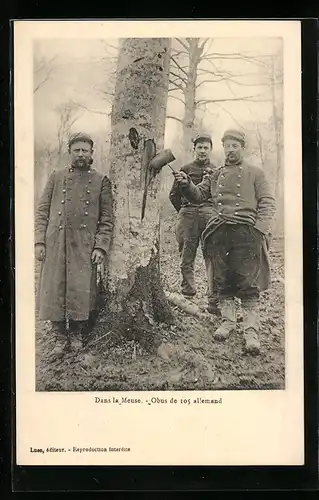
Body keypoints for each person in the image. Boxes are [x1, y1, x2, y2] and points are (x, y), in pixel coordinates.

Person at [173, 129, 276, 355]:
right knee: (223, 279)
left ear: (242, 147)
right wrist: (186, 182)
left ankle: (251, 330)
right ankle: (228, 321)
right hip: (219, 232)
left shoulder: (255, 173)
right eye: (227, 146)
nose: (230, 150)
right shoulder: (215, 174)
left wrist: (260, 229)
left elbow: (268, 202)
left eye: (234, 146)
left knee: (247, 281)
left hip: (247, 232)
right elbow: (198, 195)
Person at [35, 132, 114, 359]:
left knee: (81, 289)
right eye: (76, 150)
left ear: (91, 154)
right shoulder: (56, 177)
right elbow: (42, 211)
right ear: (70, 152)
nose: (80, 154)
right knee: (55, 287)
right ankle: (60, 336)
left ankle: (77, 334)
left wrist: (101, 246)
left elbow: (107, 219)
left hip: (84, 244)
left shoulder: (101, 181)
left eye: (85, 151)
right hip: (56, 242)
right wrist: (39, 241)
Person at [169, 133, 219, 312]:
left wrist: (212, 212)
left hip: (209, 214)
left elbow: (220, 197)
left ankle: (214, 300)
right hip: (188, 213)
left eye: (206, 147)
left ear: (211, 150)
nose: (203, 151)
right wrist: (183, 211)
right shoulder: (185, 168)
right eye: (200, 147)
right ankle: (187, 294)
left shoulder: (216, 170)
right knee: (186, 256)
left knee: (212, 256)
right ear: (194, 149)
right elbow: (173, 195)